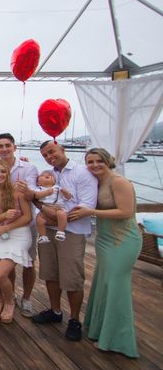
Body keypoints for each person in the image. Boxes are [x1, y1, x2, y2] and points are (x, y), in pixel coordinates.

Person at [69, 148, 141, 357]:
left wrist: (91, 212)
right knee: (103, 283)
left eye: (99, 161)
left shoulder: (119, 182)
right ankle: (100, 329)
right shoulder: (96, 182)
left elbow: (126, 212)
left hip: (123, 239)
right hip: (104, 239)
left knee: (116, 286)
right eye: (90, 162)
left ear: (108, 161)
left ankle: (117, 339)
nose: (94, 165)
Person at [31, 140, 98, 342]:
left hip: (72, 232)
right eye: (45, 155)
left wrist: (45, 211)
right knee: (50, 273)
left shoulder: (81, 173)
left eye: (51, 152)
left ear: (61, 148)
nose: (49, 157)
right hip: (49, 231)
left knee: (72, 277)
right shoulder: (49, 175)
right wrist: (45, 209)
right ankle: (55, 310)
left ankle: (75, 319)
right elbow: (35, 197)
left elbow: (83, 208)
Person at [0, 133, 39, 317]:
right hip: (2, 221)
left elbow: (32, 194)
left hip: (24, 223)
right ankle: (7, 295)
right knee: (6, 262)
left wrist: (26, 191)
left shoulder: (28, 167)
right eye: (1, 146)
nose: (4, 149)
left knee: (29, 262)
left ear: (14, 147)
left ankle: (26, 298)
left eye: (7, 145)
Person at [0, 160, 33, 324]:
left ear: (8, 174)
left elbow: (27, 217)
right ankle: (0, 299)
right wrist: (3, 218)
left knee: (1, 273)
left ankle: (10, 302)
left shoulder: (17, 192)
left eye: (2, 172)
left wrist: (7, 226)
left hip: (18, 234)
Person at [34, 170, 71, 244]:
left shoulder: (57, 188)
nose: (47, 175)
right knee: (39, 220)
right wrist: (46, 193)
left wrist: (66, 193)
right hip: (44, 210)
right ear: (38, 182)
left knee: (62, 214)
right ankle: (42, 235)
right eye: (43, 175)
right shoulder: (39, 189)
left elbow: (68, 197)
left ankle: (60, 231)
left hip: (57, 207)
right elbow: (36, 196)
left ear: (54, 181)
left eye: (50, 175)